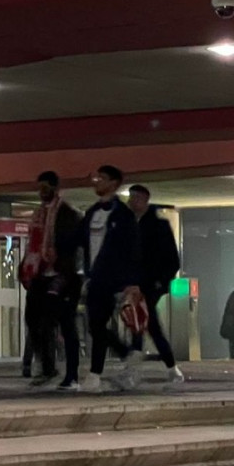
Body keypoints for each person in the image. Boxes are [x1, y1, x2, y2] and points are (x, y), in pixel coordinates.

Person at [78, 165, 142, 394]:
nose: (96, 182)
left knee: (98, 323)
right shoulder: (92, 213)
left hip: (114, 278)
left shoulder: (123, 215)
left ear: (114, 183)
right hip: (95, 277)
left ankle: (95, 375)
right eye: (96, 178)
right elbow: (83, 244)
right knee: (95, 325)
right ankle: (125, 353)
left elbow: (133, 249)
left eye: (101, 179)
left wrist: (132, 282)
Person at [21, 171, 82, 389]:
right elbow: (32, 244)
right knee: (32, 320)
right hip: (39, 275)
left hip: (61, 275)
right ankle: (47, 368)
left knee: (61, 323)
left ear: (55, 188)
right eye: (39, 188)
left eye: (45, 188)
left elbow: (72, 246)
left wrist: (64, 268)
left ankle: (69, 374)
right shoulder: (38, 214)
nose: (41, 192)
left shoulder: (67, 214)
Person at [127, 185, 186, 385]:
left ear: (144, 199)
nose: (130, 202)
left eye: (134, 198)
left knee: (143, 323)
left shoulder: (158, 226)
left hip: (150, 285)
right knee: (145, 325)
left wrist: (160, 282)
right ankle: (171, 369)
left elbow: (172, 260)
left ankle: (137, 371)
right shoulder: (129, 225)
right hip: (134, 285)